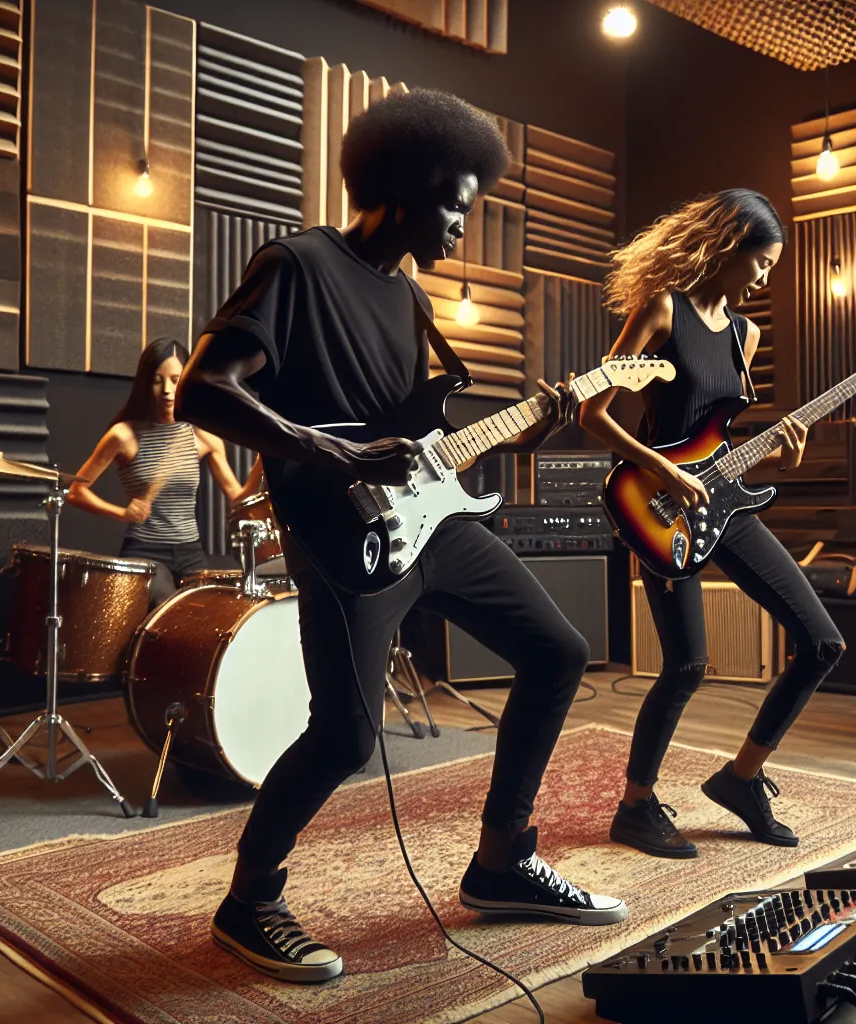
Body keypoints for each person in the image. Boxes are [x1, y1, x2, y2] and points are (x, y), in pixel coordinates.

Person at [175, 88, 626, 985]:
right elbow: (201, 390)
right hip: (343, 535)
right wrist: (330, 452)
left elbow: (415, 437)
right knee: (344, 736)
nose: (465, 221)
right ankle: (250, 898)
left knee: (557, 651)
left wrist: (535, 423)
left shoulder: (411, 299)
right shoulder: (296, 265)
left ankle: (502, 862)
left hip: (431, 523)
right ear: (401, 189)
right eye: (456, 201)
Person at [579, 189, 844, 860]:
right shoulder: (662, 309)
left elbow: (719, 433)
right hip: (659, 504)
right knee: (687, 665)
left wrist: (783, 447)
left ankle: (741, 780)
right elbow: (593, 412)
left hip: (722, 497)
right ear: (729, 246)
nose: (765, 278)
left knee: (821, 643)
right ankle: (636, 807)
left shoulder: (746, 334)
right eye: (761, 262)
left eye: (772, 268)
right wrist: (662, 470)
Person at [65, 336, 251, 604]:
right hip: (145, 551)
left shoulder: (203, 437)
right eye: (157, 380)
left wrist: (262, 464)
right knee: (166, 605)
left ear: (186, 381)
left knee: (208, 615)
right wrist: (122, 513)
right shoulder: (123, 435)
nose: (166, 389)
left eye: (175, 380)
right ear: (145, 383)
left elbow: (237, 496)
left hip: (191, 553)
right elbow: (76, 492)